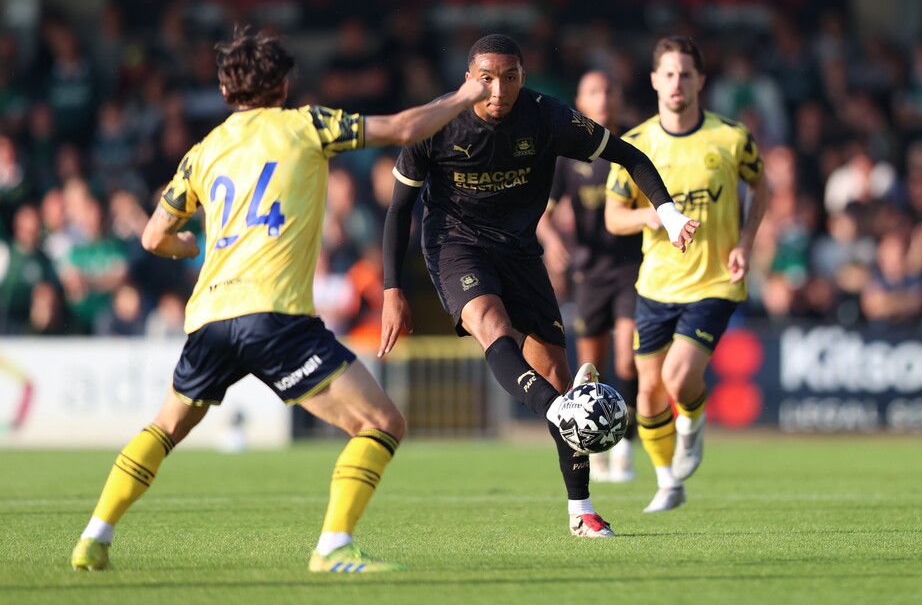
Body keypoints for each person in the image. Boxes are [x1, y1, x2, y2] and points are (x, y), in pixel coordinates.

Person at [70, 28, 489, 573]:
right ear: (285, 85)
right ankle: (333, 546)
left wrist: (185, 246)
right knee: (381, 423)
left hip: (210, 317)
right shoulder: (306, 125)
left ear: (226, 91)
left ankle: (94, 537)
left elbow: (153, 237)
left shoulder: (203, 151)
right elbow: (405, 128)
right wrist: (465, 94)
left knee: (165, 428)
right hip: (273, 314)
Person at [379, 34, 699, 537]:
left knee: (557, 374)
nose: (498, 89)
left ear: (523, 78)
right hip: (456, 245)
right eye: (486, 78)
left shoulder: (547, 116)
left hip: (521, 253)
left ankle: (581, 512)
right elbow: (399, 210)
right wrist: (392, 290)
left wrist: (669, 212)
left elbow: (629, 155)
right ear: (468, 80)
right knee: (492, 325)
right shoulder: (434, 122)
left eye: (509, 77)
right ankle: (561, 410)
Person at [605, 35, 768, 512]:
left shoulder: (731, 137)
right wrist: (651, 215)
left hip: (715, 281)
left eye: (686, 74)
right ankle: (667, 481)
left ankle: (692, 423)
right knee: (648, 392)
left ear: (701, 81)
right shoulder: (635, 144)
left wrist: (746, 243)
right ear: (655, 80)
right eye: (669, 74)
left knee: (677, 378)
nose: (677, 82)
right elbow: (613, 217)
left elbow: (762, 187)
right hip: (656, 285)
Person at [536, 70, 644, 483]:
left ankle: (626, 448)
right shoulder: (569, 154)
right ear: (580, 102)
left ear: (619, 97)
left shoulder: (634, 144)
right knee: (590, 369)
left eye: (609, 89)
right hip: (589, 273)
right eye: (594, 91)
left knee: (628, 359)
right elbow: (543, 213)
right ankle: (593, 449)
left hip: (632, 268)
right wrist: (553, 241)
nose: (603, 97)